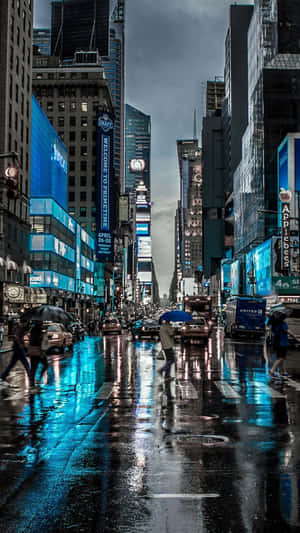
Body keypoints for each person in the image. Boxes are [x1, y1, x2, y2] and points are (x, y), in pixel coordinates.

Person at [0, 318, 30, 386]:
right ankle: (30, 376)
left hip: (16, 348)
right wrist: (20, 344)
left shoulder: (19, 327)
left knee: (12, 363)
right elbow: (16, 336)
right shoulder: (20, 327)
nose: (26, 324)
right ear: (24, 322)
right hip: (19, 348)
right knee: (25, 363)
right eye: (26, 322)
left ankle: (3, 376)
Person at [27, 323, 48, 387]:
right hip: (37, 351)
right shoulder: (38, 330)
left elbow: (31, 339)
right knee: (44, 364)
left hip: (32, 350)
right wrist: (42, 337)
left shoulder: (32, 329)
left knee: (33, 367)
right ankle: (36, 379)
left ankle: (32, 382)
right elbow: (37, 341)